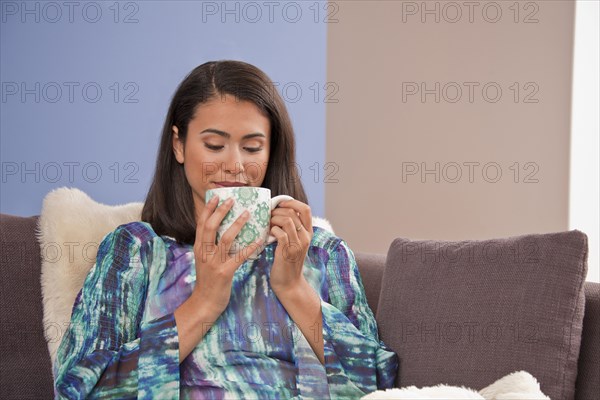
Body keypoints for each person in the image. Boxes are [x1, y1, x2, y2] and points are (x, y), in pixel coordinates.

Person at [53, 60, 398, 399]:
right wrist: (204, 301)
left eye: (252, 148)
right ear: (179, 145)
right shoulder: (135, 251)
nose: (234, 165)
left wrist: (293, 288)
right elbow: (80, 387)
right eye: (214, 145)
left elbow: (376, 385)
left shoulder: (322, 252)